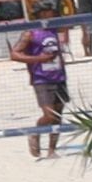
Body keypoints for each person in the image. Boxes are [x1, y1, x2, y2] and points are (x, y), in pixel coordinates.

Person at [20, 20, 71, 159]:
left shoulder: (54, 29)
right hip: (41, 79)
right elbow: (15, 54)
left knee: (58, 115)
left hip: (58, 77)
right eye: (50, 12)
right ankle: (35, 132)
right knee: (50, 115)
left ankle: (51, 150)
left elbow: (68, 24)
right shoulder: (30, 33)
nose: (54, 15)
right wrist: (38, 59)